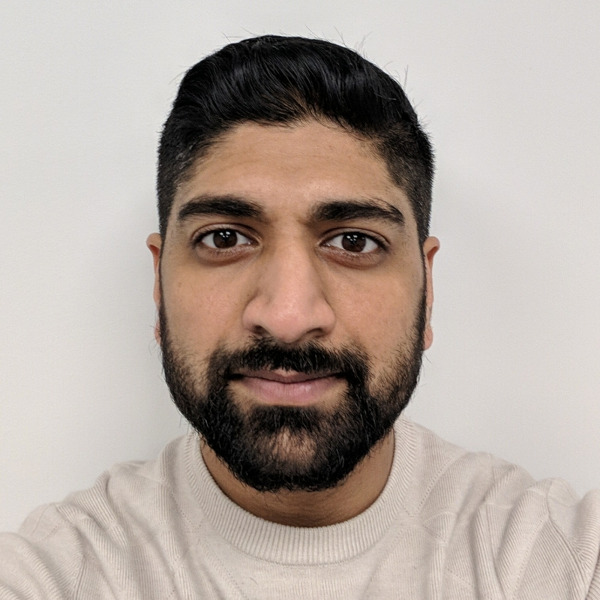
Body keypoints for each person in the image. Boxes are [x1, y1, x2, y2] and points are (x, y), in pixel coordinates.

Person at [1, 35, 599, 600]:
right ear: (158, 286)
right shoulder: (57, 574)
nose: (287, 317)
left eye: (354, 242)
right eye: (225, 237)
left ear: (428, 287)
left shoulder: (559, 559)